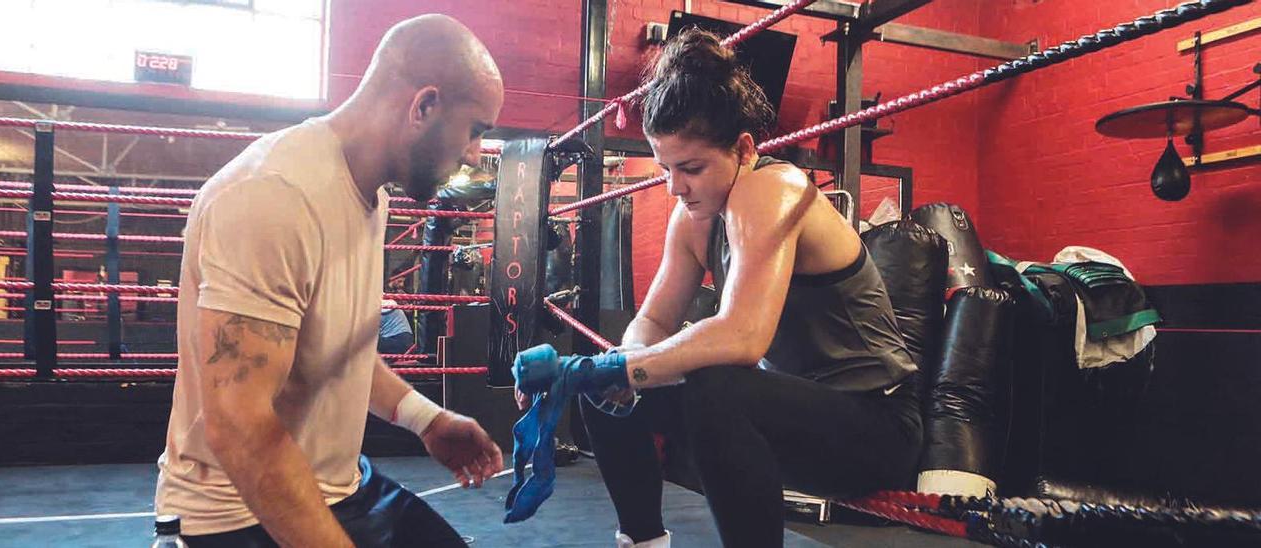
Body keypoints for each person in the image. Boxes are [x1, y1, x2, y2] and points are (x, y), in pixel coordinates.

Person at [513, 29, 922, 548]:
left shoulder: (776, 188)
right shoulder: (694, 220)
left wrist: (625, 367)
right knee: (603, 384)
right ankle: (642, 541)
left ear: (744, 149)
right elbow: (655, 321)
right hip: (788, 419)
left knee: (712, 383)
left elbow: (742, 338)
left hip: (876, 428)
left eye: (692, 168)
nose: (675, 187)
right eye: (666, 169)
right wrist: (617, 369)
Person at [156, 14, 505, 547]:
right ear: (424, 106)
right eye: (476, 130)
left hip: (340, 488)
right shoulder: (274, 193)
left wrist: (426, 419)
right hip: (233, 513)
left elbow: (338, 349)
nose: (475, 153)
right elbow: (239, 424)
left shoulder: (372, 194)